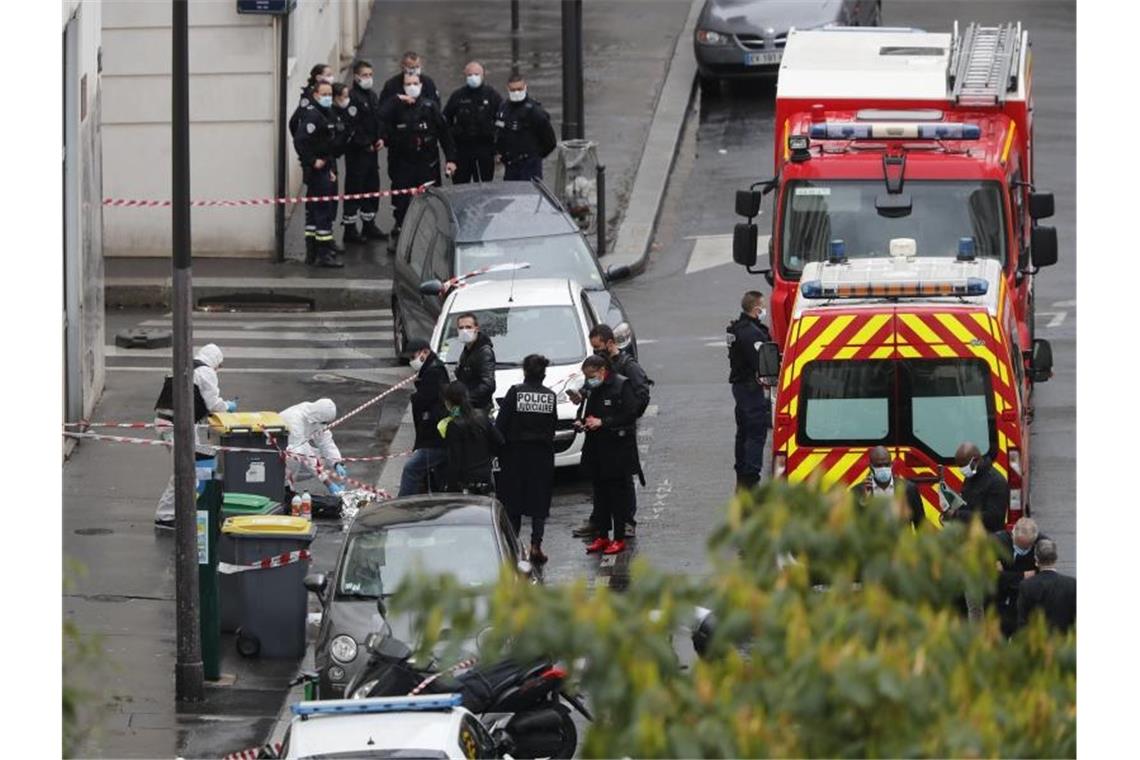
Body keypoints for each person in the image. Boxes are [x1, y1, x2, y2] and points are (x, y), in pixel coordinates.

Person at [570, 324, 650, 539]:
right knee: (601, 481)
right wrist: (582, 397)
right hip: (600, 433)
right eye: (594, 349)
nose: (597, 352)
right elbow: (592, 388)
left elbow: (641, 396)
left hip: (619, 431)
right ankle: (600, 520)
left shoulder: (627, 366)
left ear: (610, 343)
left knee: (622, 480)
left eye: (599, 348)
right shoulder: (598, 367)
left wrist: (627, 416)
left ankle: (627, 521)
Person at [153, 344, 235, 528]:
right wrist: (228, 406)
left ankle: (184, 510)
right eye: (219, 365)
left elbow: (193, 398)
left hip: (167, 422)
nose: (218, 370)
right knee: (185, 470)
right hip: (177, 427)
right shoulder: (206, 372)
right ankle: (165, 516)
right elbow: (214, 403)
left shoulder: (184, 366)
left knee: (190, 468)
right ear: (215, 360)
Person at [376, 71, 457, 247]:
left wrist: (450, 159)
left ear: (421, 86)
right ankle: (401, 235)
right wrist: (394, 101)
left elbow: (445, 134)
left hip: (427, 164)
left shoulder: (430, 107)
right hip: (402, 163)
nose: (412, 87)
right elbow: (379, 118)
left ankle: (430, 237)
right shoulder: (395, 108)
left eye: (415, 83)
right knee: (402, 203)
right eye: (408, 84)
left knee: (430, 201)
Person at [495, 354, 558, 564]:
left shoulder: (515, 392)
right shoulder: (550, 396)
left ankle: (513, 548)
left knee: (513, 503)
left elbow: (500, 425)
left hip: (514, 456)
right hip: (541, 457)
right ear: (544, 374)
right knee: (539, 502)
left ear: (525, 372)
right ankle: (535, 546)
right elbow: (552, 428)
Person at [578, 355, 641, 556]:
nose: (590, 380)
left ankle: (619, 537)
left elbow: (630, 415)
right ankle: (603, 535)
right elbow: (587, 411)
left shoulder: (621, 386)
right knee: (600, 497)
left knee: (617, 497)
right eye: (587, 377)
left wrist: (603, 422)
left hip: (617, 451)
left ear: (603, 370)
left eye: (592, 375)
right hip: (596, 450)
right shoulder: (592, 389)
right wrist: (582, 422)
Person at [293, 79, 345, 268]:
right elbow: (300, 141)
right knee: (322, 210)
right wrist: (312, 161)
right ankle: (323, 254)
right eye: (323, 95)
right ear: (315, 96)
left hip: (326, 166)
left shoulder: (328, 113)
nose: (327, 98)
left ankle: (313, 251)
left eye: (330, 94)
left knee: (316, 211)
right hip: (317, 169)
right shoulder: (313, 116)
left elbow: (331, 144)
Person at [727, 291, 775, 492]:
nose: (764, 311)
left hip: (740, 387)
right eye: (762, 307)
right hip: (750, 388)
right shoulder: (752, 333)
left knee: (743, 433)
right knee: (756, 434)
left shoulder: (736, 328)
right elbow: (763, 362)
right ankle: (751, 480)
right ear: (756, 309)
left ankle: (742, 476)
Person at [341, 60, 388, 244]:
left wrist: (381, 138)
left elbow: (378, 120)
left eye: (370, 75)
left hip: (372, 152)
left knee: (371, 187)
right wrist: (364, 143)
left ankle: (369, 224)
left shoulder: (372, 96)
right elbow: (352, 127)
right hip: (357, 153)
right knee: (355, 188)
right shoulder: (352, 98)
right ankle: (350, 229)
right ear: (356, 77)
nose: (369, 78)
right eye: (365, 75)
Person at [398, 338, 451, 496]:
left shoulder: (434, 372)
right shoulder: (429, 370)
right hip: (435, 435)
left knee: (412, 469)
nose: (411, 361)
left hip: (435, 437)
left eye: (413, 357)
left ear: (425, 352)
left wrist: (416, 395)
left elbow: (426, 399)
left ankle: (403, 503)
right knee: (439, 476)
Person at [438, 382, 503, 495]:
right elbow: (500, 441)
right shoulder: (482, 416)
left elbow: (455, 461)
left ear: (448, 402)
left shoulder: (454, 425)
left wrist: (450, 487)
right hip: (485, 477)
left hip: (465, 482)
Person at [443, 61, 502, 184]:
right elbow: (445, 120)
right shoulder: (458, 96)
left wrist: (498, 149)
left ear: (483, 75)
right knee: (460, 186)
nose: (473, 77)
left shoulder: (492, 95)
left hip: (485, 148)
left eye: (476, 74)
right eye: (470, 75)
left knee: (485, 187)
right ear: (465, 76)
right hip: (462, 149)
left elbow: (502, 120)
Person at [494, 74, 557, 181]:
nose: (516, 92)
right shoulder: (504, 108)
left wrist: (536, 156)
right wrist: (499, 152)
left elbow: (550, 141)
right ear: (508, 89)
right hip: (511, 164)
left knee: (530, 194)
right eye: (513, 90)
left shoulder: (535, 111)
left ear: (525, 87)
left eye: (519, 89)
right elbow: (499, 133)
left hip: (530, 165)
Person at [994, 517, 1050, 637]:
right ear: (1013, 534)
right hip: (1001, 599)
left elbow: (1042, 577)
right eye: (1019, 546)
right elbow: (995, 577)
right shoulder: (997, 542)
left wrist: (1007, 575)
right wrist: (1022, 575)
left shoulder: (1044, 545)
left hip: (1029, 600)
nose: (1022, 551)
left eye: (1027, 547)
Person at [280, 398, 346, 496]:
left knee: (320, 461)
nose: (325, 425)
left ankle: (287, 485)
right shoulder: (295, 419)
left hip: (295, 449)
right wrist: (328, 482)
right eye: (324, 423)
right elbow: (305, 453)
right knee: (295, 458)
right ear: (317, 418)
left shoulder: (317, 417)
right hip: (277, 450)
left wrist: (336, 462)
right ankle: (284, 488)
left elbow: (325, 441)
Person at [851, 446, 924, 528]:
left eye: (886, 464)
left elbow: (920, 524)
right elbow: (854, 525)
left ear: (891, 464)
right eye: (879, 465)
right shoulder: (858, 491)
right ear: (871, 467)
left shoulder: (908, 489)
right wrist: (864, 502)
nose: (883, 468)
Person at [1016, 539, 1076, 634]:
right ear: (1055, 559)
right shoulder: (1072, 584)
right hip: (1064, 642)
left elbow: (1023, 621)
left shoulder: (1026, 586)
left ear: (1036, 560)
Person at [950, 441, 1009, 532]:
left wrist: (958, 515)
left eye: (964, 466)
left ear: (976, 460)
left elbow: (993, 518)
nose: (962, 470)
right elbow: (968, 502)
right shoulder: (971, 476)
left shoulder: (996, 482)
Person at [453, 312, 496, 411]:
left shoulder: (484, 352)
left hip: (478, 410)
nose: (464, 331)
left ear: (476, 329)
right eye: (461, 328)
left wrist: (465, 398)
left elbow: (488, 385)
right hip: (468, 408)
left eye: (468, 327)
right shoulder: (467, 349)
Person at [288, 63, 334, 138]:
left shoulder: (329, 91)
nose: (331, 78)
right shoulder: (309, 96)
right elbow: (294, 121)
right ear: (318, 78)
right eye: (328, 75)